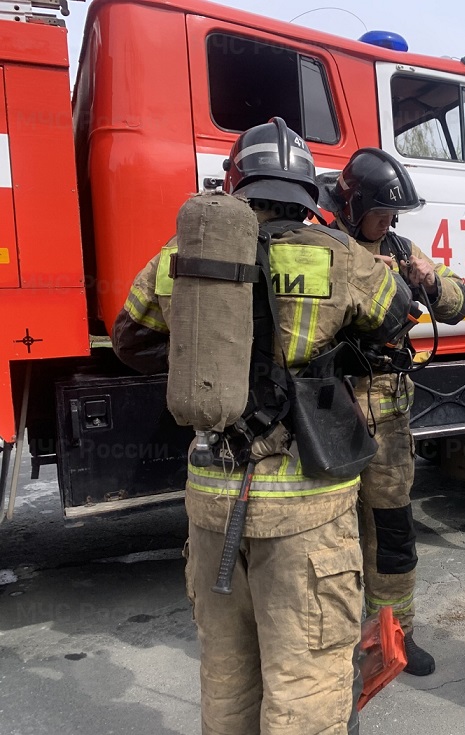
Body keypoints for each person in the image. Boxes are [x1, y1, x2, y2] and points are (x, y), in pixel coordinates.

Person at [112, 117, 413, 735]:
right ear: (305, 190)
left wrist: (213, 364)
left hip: (212, 503)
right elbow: (397, 315)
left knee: (227, 682)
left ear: (236, 183)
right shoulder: (338, 254)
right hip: (309, 510)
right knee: (305, 688)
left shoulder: (181, 254)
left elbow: (129, 335)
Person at [319, 148, 465, 676]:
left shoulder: (402, 249)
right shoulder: (323, 245)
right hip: (332, 412)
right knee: (330, 536)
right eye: (380, 214)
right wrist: (364, 274)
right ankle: (337, 645)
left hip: (388, 415)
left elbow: (458, 305)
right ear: (353, 205)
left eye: (393, 215)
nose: (389, 224)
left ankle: (396, 637)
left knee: (392, 532)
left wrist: (428, 279)